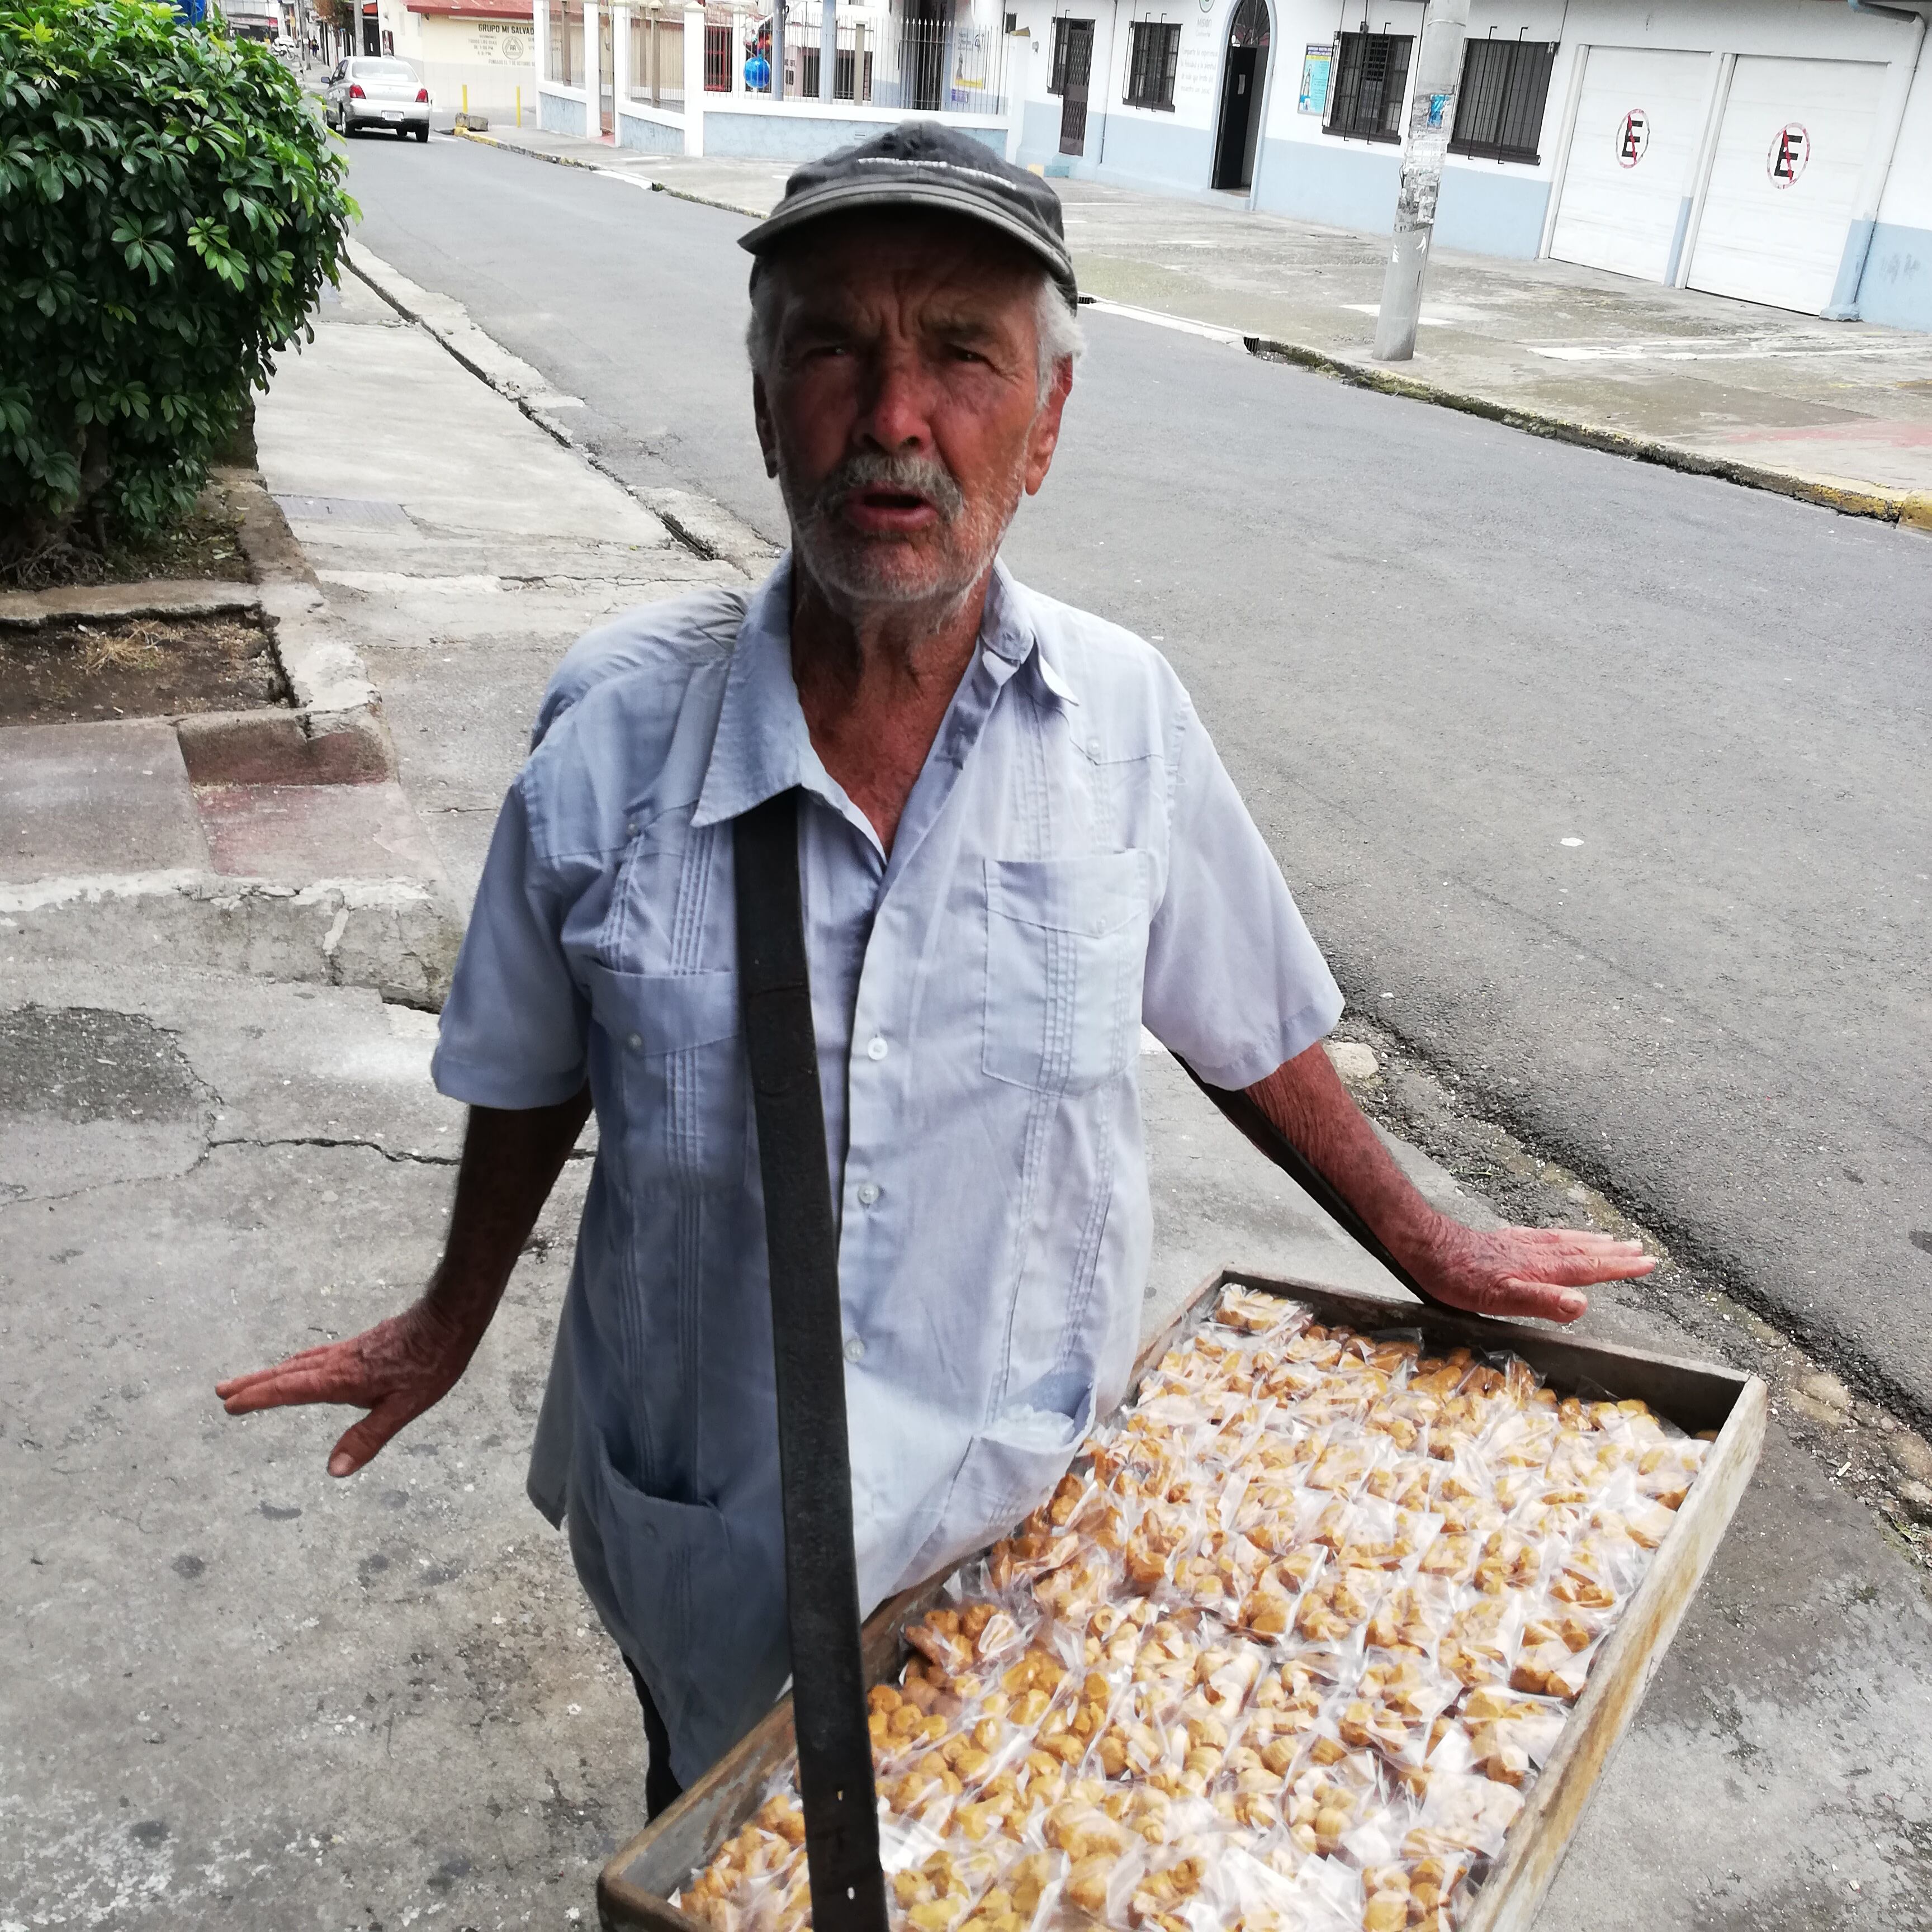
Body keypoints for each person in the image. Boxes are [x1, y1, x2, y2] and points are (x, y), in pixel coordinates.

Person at [216, 121, 1652, 1821]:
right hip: (711, 1529)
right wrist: (451, 1319)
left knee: (995, 1859)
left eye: (964, 357)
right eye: (834, 348)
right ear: (766, 408)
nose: (895, 419)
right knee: (712, 1838)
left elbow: (1242, 1020)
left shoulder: (1124, 723)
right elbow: (535, 1066)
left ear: (1044, 428)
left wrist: (1425, 1237)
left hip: (1017, 1529)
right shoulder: (608, 739)